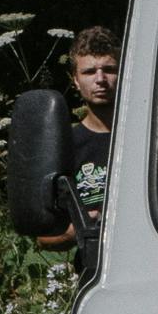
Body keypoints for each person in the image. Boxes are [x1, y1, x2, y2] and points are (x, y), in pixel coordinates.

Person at [38, 26, 119, 246]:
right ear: (75, 79)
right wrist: (84, 227)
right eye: (89, 72)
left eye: (110, 69)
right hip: (93, 270)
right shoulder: (65, 148)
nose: (100, 79)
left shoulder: (149, 139)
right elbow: (44, 238)